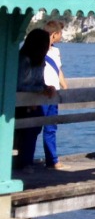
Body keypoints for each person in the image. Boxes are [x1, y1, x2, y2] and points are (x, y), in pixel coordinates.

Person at [13, 28, 59, 170]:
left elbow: (39, 81)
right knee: (26, 131)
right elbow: (19, 84)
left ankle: (26, 161)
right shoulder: (24, 60)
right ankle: (24, 162)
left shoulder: (40, 61)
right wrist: (40, 90)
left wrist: (46, 87)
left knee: (34, 130)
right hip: (20, 103)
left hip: (34, 102)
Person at [41, 20, 68, 167]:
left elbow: (58, 70)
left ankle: (52, 160)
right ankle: (26, 162)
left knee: (51, 128)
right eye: (60, 33)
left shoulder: (56, 51)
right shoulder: (39, 51)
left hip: (54, 93)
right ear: (54, 34)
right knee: (34, 127)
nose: (61, 36)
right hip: (41, 94)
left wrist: (65, 86)